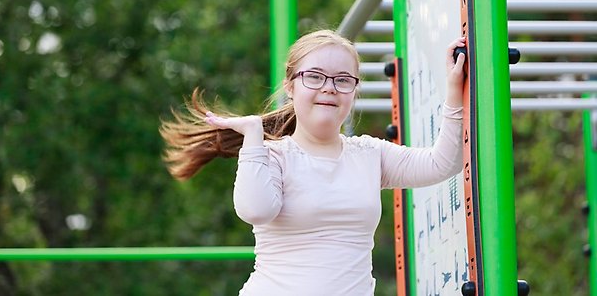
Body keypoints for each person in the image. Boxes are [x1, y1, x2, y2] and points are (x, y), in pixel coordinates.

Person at [160, 29, 466, 295]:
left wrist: (454, 90)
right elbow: (255, 210)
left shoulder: (369, 154)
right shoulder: (272, 155)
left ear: (354, 90)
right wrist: (253, 137)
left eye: (343, 80)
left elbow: (443, 163)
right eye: (315, 77)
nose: (329, 87)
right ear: (291, 86)